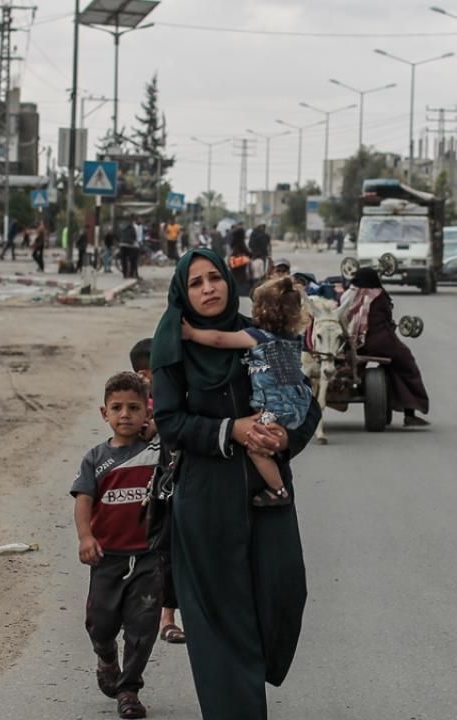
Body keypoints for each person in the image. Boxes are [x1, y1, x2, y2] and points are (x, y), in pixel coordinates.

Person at [150, 248, 320, 719]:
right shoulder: (172, 348)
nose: (208, 288)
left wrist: (286, 436)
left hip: (267, 496)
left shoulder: (257, 335)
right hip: (206, 496)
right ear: (183, 293)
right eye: (196, 283)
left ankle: (248, 681)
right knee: (223, 620)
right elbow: (169, 421)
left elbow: (305, 402)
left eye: (215, 278)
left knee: (283, 593)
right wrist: (233, 430)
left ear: (229, 280)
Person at [71, 372, 164, 720]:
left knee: (143, 626)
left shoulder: (157, 450)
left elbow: (175, 436)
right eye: (117, 407)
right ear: (104, 413)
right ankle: (106, 655)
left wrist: (158, 429)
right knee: (100, 622)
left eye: (135, 407)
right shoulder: (96, 458)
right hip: (106, 558)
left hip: (148, 555)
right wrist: (86, 538)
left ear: (147, 413)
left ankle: (129, 689)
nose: (125, 414)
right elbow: (83, 500)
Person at [181, 275, 312, 507]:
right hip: (298, 404)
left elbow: (220, 340)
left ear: (260, 311)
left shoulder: (258, 337)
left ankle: (278, 490)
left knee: (256, 448)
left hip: (273, 409)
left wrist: (192, 334)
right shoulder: (293, 340)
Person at [128, 339, 185, 647]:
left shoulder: (175, 393)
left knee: (176, 549)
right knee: (159, 550)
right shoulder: (135, 404)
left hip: (179, 479)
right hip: (149, 489)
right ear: (144, 374)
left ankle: (172, 615)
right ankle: (165, 617)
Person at [340, 268, 431, 427]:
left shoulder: (348, 294)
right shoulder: (379, 295)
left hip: (352, 344)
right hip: (381, 342)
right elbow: (386, 321)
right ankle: (410, 412)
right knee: (406, 363)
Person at [227, 228, 253, 297]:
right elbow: (232, 263)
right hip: (239, 280)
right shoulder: (237, 248)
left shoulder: (240, 246)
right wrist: (246, 259)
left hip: (241, 279)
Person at [121, 215, 144, 279]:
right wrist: (140, 245)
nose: (141, 221)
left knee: (124, 260)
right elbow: (138, 238)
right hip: (132, 246)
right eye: (140, 219)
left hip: (123, 244)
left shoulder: (124, 225)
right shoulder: (137, 227)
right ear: (136, 220)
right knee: (134, 261)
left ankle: (125, 274)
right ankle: (134, 274)